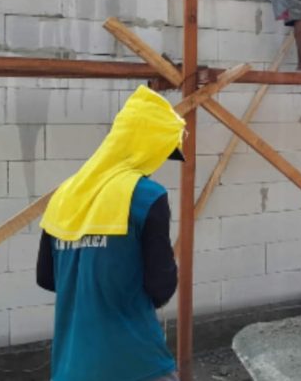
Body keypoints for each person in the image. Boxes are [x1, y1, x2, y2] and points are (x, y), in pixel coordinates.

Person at [37, 85, 184, 381]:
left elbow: (46, 278)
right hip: (136, 364)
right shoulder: (146, 195)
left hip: (71, 367)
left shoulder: (65, 194)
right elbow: (161, 287)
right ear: (148, 147)